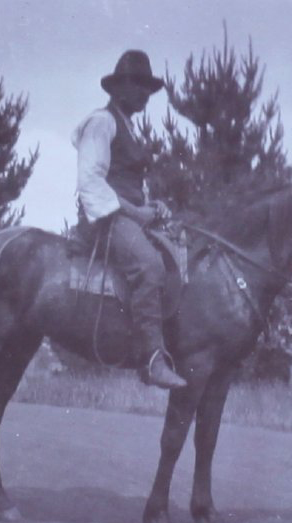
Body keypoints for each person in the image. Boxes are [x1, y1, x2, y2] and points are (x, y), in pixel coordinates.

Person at [71, 49, 187, 390]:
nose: (145, 95)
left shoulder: (128, 128)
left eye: (147, 88)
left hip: (126, 216)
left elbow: (128, 183)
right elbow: (91, 181)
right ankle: (151, 359)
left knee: (177, 256)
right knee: (149, 266)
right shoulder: (102, 122)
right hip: (102, 218)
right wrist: (137, 212)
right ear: (119, 89)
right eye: (138, 86)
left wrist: (153, 205)